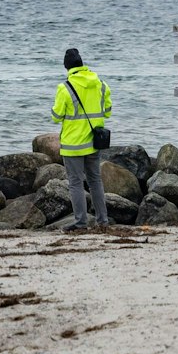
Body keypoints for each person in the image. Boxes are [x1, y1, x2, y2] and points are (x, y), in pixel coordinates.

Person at [52, 48, 112, 229]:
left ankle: (80, 222)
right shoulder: (101, 84)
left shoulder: (65, 88)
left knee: (75, 183)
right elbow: (107, 111)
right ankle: (103, 221)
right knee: (95, 181)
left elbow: (56, 116)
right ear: (81, 64)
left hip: (73, 144)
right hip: (94, 142)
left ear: (67, 67)